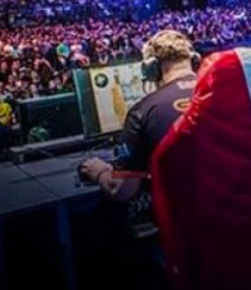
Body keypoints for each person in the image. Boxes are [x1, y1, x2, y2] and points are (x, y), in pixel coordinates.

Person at [79, 30, 198, 204]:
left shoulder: (142, 111)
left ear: (151, 68)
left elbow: (121, 190)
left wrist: (100, 172)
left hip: (183, 213)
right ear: (194, 61)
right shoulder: (222, 95)